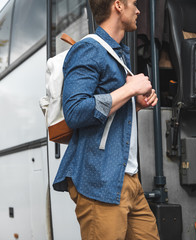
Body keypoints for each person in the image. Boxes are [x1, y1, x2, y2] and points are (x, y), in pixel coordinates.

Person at [53, 0, 160, 239]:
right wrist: (130, 91)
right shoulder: (89, 49)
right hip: (99, 180)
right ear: (119, 5)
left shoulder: (118, 52)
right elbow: (76, 111)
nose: (139, 10)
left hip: (129, 178)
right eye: (134, 3)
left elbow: (110, 117)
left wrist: (135, 105)